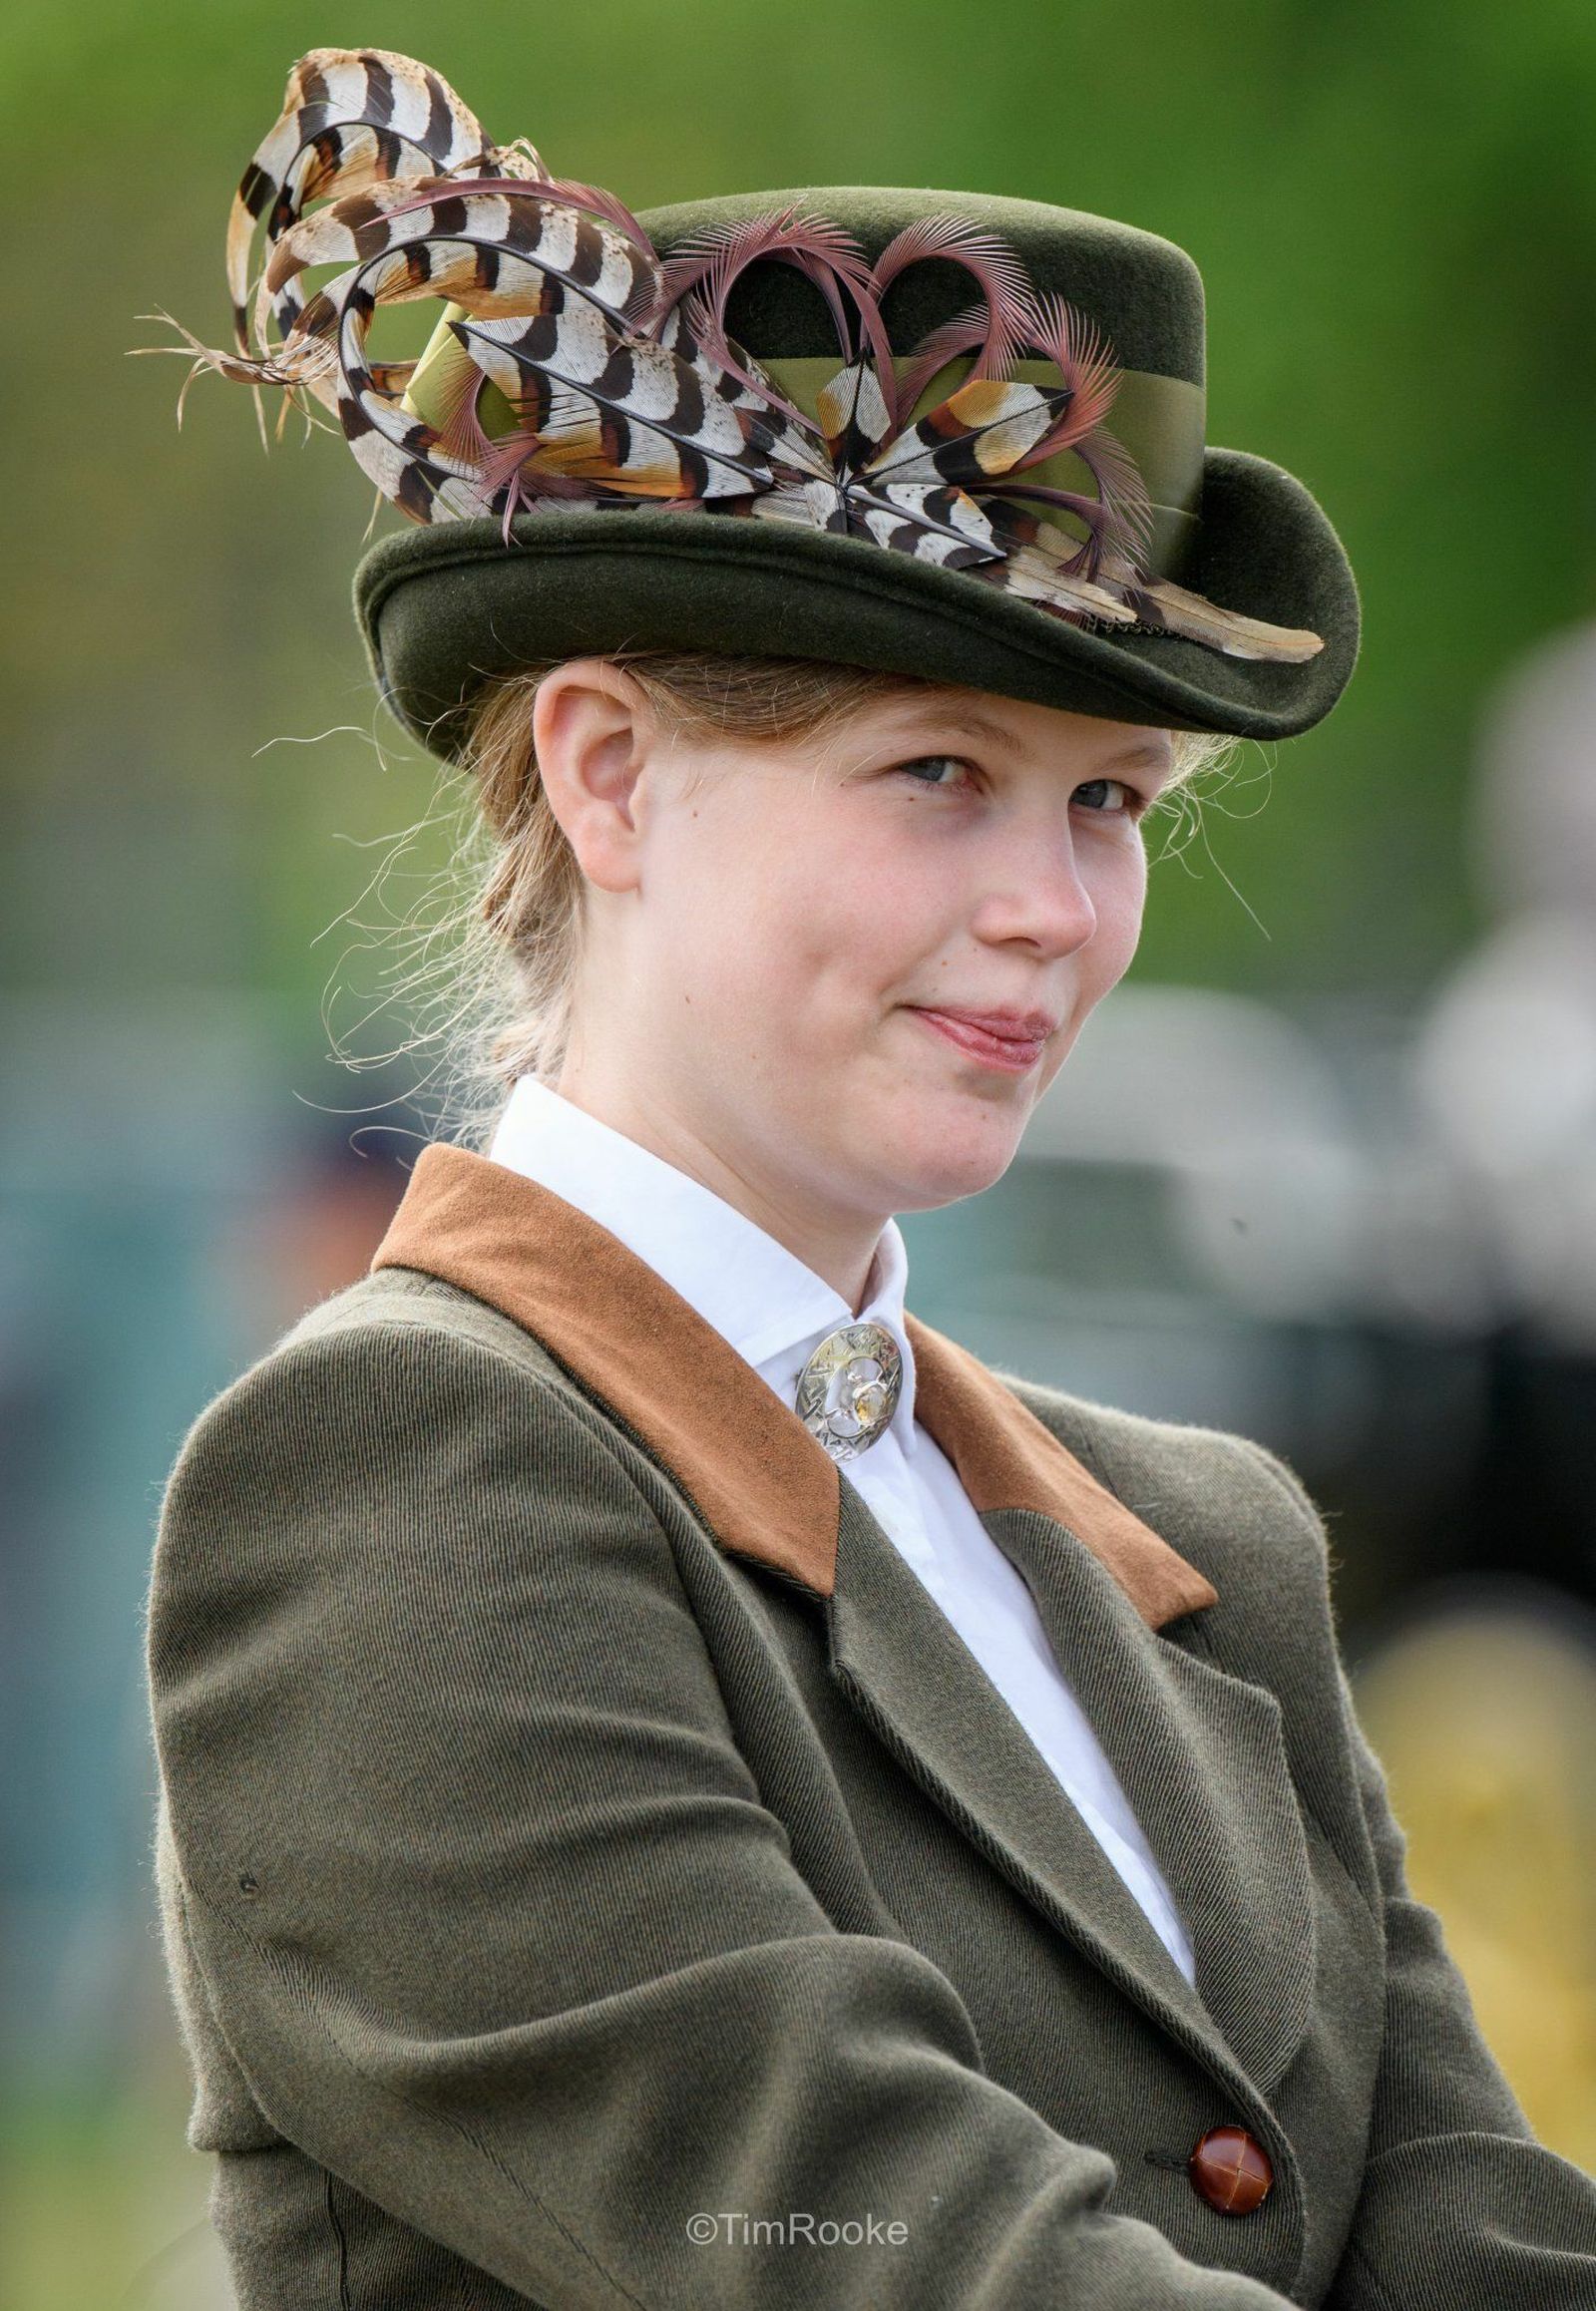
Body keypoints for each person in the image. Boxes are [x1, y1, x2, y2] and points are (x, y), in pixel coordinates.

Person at [141, 44, 1596, 2311]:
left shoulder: (1201, 1545)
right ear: (609, 774)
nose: (1048, 902)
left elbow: (1475, 2239)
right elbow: (857, 2239)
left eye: (1106, 802)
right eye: (937, 770)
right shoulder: (403, 1466)